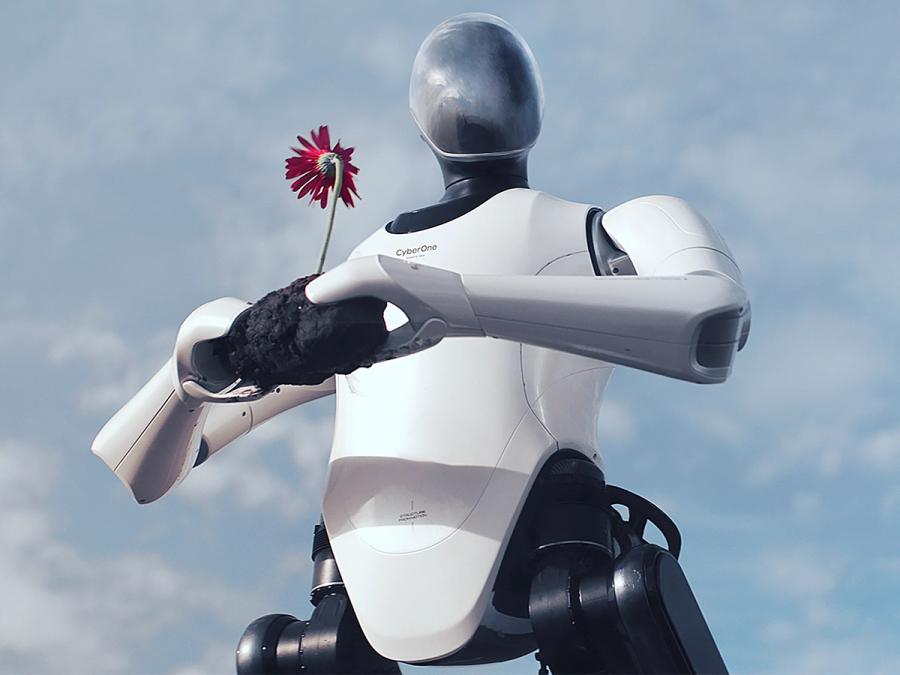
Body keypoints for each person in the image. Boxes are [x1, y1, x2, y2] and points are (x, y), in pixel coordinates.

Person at [93, 13, 748, 674]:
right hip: (358, 591)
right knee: (278, 655)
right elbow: (142, 468)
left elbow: (711, 319)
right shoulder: (359, 283)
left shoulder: (595, 234)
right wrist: (196, 372)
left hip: (536, 568)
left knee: (619, 607)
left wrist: (459, 302)